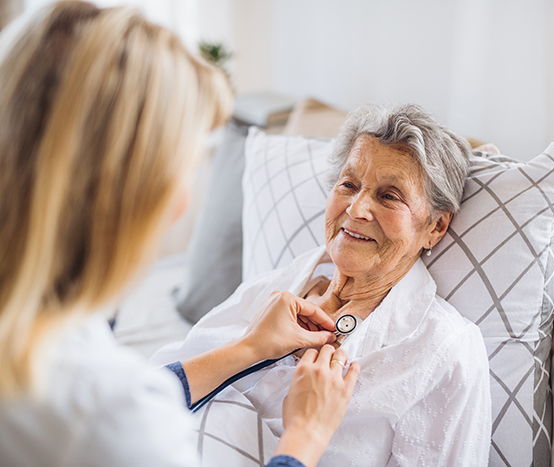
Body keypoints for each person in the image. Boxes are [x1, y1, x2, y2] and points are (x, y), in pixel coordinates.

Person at [0, 3, 358, 467]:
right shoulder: (110, 413)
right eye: (183, 171)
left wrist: (248, 349)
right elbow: (111, 414)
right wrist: (305, 438)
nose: (183, 203)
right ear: (124, 191)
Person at [153, 104, 493, 466]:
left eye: (389, 196)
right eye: (348, 184)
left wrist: (306, 434)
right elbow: (141, 402)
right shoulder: (271, 289)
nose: (357, 209)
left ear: (435, 227)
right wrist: (249, 348)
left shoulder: (444, 351)